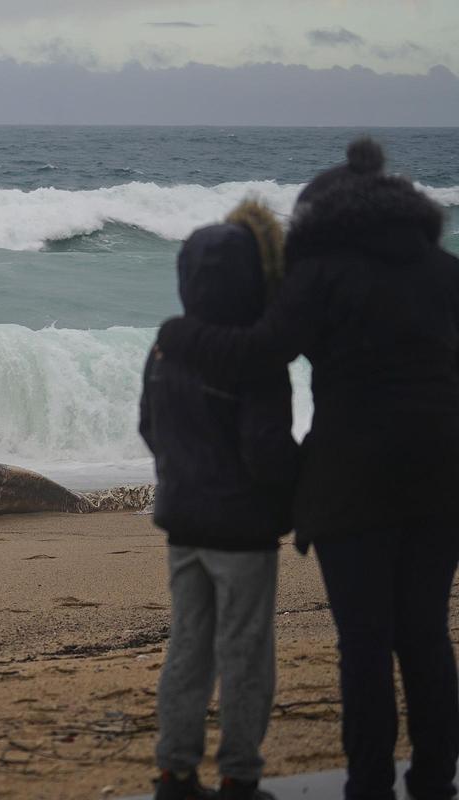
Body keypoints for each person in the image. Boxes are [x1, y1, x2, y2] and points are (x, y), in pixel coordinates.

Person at [157, 138, 459, 800]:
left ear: (321, 220)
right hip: (444, 480)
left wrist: (179, 339)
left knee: (366, 644)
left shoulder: (320, 275)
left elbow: (259, 353)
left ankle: (370, 784)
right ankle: (436, 779)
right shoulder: (445, 272)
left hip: (352, 486)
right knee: (427, 634)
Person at [141, 198, 297, 800]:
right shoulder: (255, 357)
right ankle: (239, 774)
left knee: (187, 648)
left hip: (183, 522)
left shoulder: (164, 349)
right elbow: (267, 450)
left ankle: (174, 771)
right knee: (245, 655)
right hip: (242, 531)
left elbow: (149, 426)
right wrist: (287, 503)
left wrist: (179, 475)